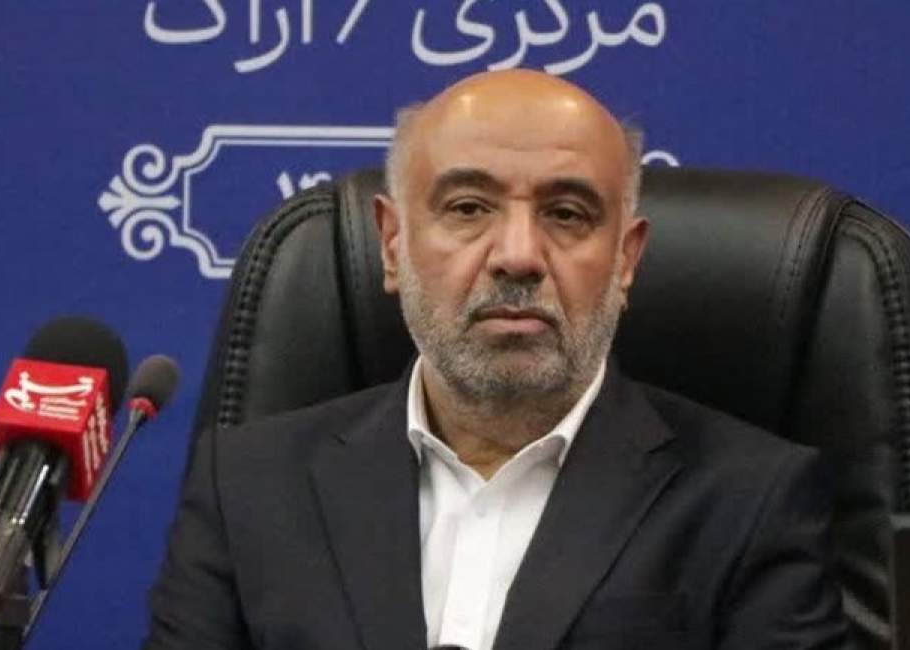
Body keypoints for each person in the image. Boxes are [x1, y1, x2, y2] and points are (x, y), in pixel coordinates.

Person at [144, 70, 847, 649]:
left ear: (626, 260)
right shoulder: (248, 486)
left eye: (566, 214)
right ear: (393, 244)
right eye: (468, 207)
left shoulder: (751, 500)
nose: (517, 256)